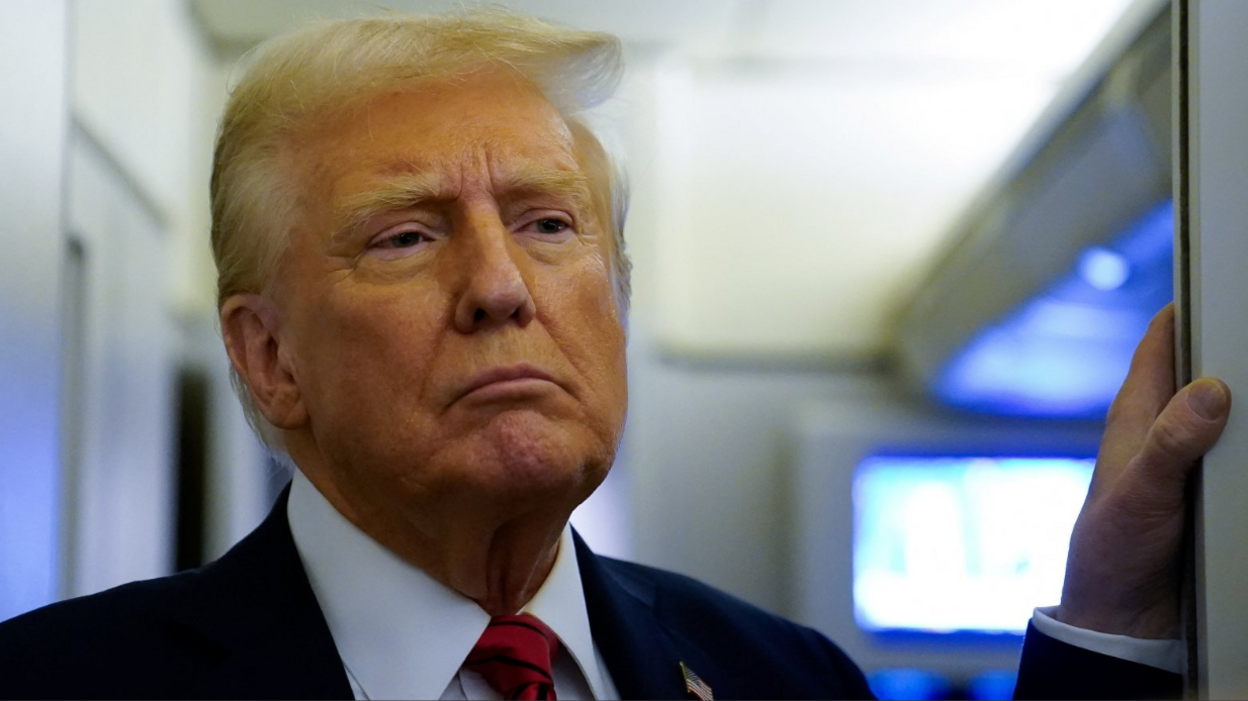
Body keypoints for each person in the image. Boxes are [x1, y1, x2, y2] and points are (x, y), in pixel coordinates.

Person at [0, 10, 1231, 700]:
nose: (498, 287)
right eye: (406, 235)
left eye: (547, 224)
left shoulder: (783, 681)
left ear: (618, 299)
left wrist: (1110, 610)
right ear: (268, 359)